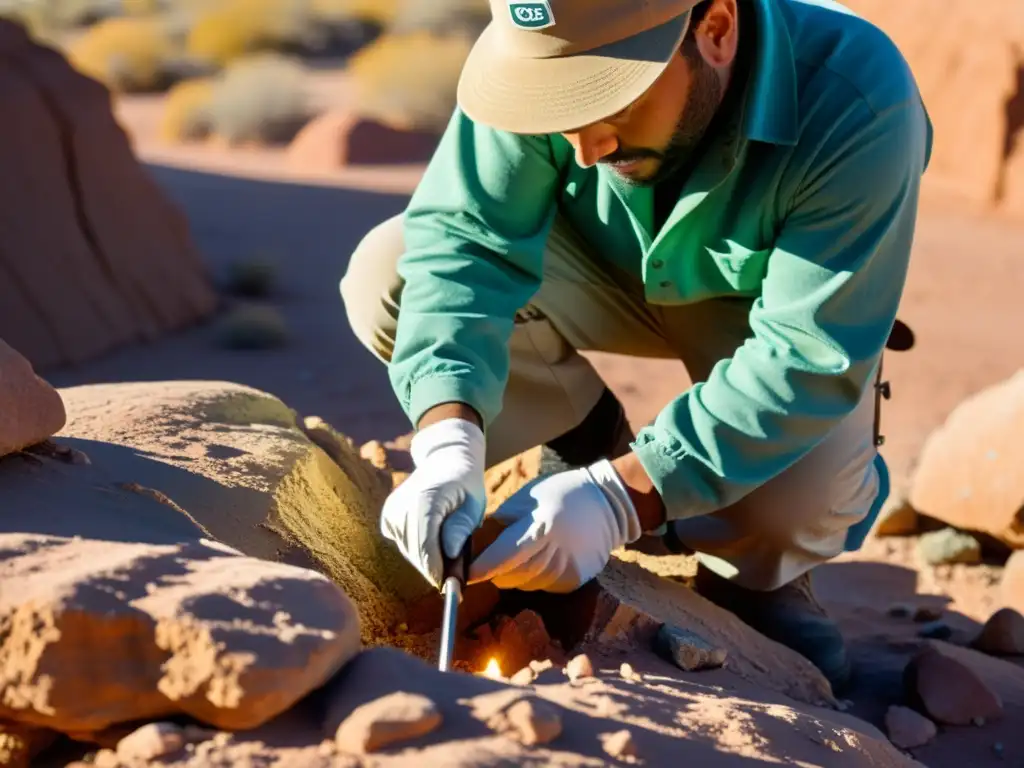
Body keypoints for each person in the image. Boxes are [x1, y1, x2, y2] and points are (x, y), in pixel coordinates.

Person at [341, 0, 932, 693]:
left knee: (786, 503)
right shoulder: (539, 53)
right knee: (393, 273)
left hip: (764, 311)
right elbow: (461, 248)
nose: (585, 150)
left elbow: (808, 353)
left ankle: (755, 583)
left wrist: (626, 497)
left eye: (610, 102)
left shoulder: (857, 94)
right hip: (594, 273)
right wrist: (447, 439)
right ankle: (583, 441)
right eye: (563, 111)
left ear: (715, 27)